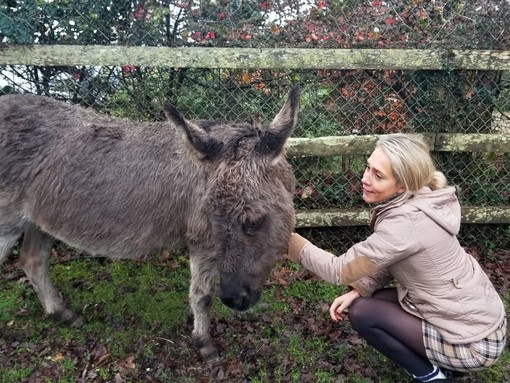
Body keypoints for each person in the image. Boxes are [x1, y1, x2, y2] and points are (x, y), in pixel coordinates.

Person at [285, 134, 506, 382]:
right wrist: (360, 288)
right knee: (365, 302)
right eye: (368, 167)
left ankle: (433, 377)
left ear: (402, 185)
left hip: (475, 344)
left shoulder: (405, 225)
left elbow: (340, 270)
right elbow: (393, 258)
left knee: (363, 314)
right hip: (480, 320)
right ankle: (443, 365)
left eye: (378, 175)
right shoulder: (421, 198)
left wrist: (284, 238)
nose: (365, 178)